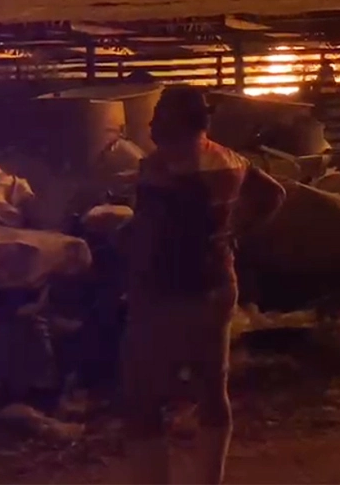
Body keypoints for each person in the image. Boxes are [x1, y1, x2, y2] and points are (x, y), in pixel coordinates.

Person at [119, 85, 286, 484]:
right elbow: (273, 194)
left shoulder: (159, 169)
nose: (152, 120)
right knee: (212, 388)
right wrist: (234, 232)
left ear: (180, 118)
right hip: (217, 286)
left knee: (142, 399)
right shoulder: (228, 160)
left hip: (166, 291)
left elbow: (152, 236)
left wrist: (123, 256)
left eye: (160, 112)